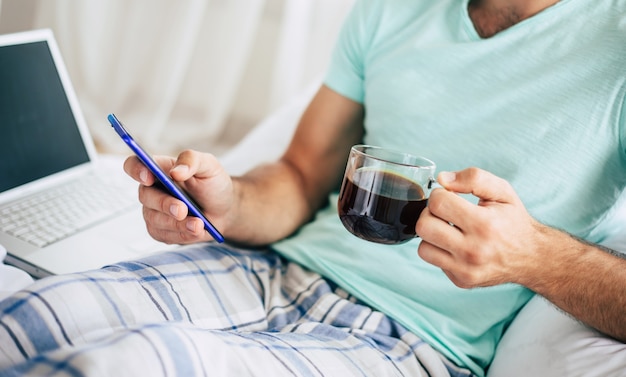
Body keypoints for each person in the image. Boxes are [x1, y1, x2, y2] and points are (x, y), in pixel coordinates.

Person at [1, 0, 625, 376]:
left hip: (411, 343)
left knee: (128, 364)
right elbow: (301, 175)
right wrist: (230, 199)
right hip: (272, 268)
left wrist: (536, 256)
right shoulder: (391, 9)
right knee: (28, 317)